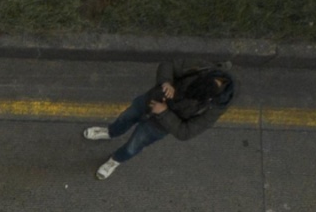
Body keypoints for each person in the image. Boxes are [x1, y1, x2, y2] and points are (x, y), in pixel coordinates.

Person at [86, 62, 235, 179]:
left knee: (134, 145)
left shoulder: (212, 110)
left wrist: (164, 113)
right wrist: (166, 82)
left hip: (159, 126)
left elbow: (186, 132)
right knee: (125, 118)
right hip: (150, 100)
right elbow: (169, 64)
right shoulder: (204, 68)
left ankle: (115, 160)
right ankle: (110, 132)